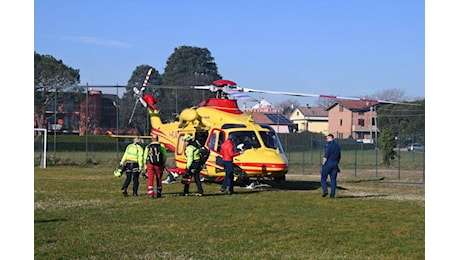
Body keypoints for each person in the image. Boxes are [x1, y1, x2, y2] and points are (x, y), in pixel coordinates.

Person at [143, 134, 167, 199]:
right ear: (158, 139)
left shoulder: (148, 146)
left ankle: (151, 193)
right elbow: (164, 156)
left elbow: (145, 157)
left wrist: (145, 166)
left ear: (152, 139)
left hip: (150, 165)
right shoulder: (161, 146)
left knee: (150, 179)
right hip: (159, 165)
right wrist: (163, 163)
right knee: (159, 178)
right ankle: (159, 192)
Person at [321, 134, 341, 198]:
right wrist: (336, 163)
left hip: (328, 163)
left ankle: (325, 190)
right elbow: (339, 156)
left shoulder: (329, 146)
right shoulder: (337, 146)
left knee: (323, 178)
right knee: (333, 179)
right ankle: (332, 194)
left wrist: (323, 164)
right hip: (335, 164)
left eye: (327, 138)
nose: (326, 140)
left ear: (330, 138)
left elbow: (326, 156)